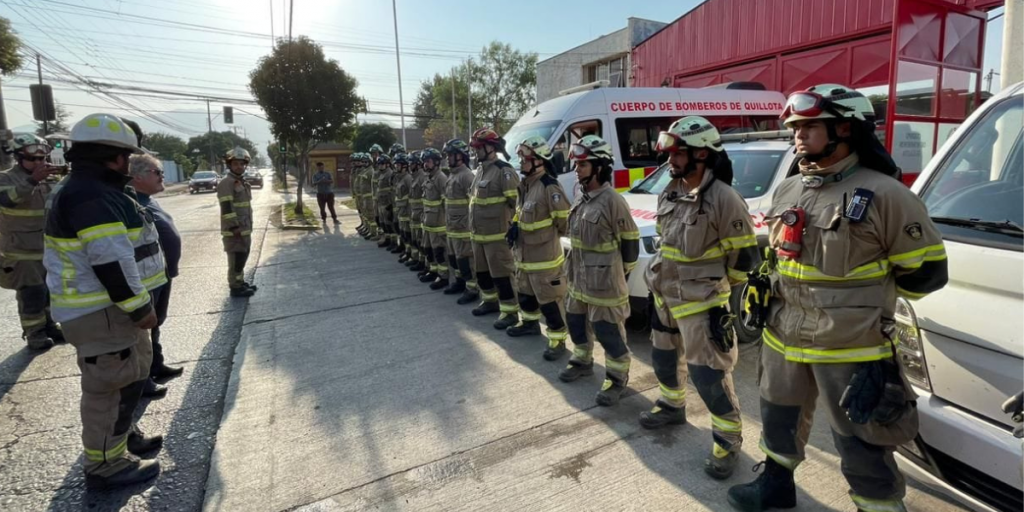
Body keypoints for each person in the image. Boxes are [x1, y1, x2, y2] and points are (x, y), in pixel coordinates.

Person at [727, 84, 948, 512]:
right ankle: (774, 487)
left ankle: (878, 506)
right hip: (782, 337)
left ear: (846, 129)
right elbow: (780, 255)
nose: (798, 135)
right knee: (776, 417)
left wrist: (866, 307)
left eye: (811, 126)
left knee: (862, 438)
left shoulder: (887, 196)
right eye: (795, 127)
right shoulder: (790, 189)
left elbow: (926, 275)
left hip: (848, 347)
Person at [44, 113, 165, 487]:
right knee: (108, 388)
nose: (129, 164)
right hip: (102, 311)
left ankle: (122, 438)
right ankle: (104, 465)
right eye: (127, 158)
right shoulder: (91, 195)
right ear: (113, 157)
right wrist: (139, 307)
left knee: (129, 377)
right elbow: (111, 261)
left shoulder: (92, 189)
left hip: (111, 311)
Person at [639, 116, 759, 479]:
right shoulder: (671, 190)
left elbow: (744, 259)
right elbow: (666, 241)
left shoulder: (725, 199)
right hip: (665, 296)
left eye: (678, 153)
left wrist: (715, 293)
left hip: (702, 305)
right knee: (662, 360)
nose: (671, 160)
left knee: (709, 376)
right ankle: (672, 405)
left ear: (702, 154)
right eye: (670, 153)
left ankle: (727, 439)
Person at [560, 135, 639, 407]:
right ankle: (582, 360)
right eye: (576, 164)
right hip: (578, 281)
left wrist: (618, 274)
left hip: (605, 285)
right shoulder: (581, 199)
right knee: (576, 324)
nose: (576, 170)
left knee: (608, 333)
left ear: (599, 167)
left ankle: (616, 379)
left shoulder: (612, 201)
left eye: (582, 165)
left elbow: (630, 244)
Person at [505, 136, 572, 360]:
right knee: (525, 295)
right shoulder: (524, 185)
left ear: (539, 161)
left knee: (550, 302)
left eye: (525, 159)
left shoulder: (549, 186)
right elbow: (520, 212)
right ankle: (530, 324)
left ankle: (557, 340)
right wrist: (515, 225)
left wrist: (544, 237)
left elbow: (564, 221)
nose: (521, 162)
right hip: (524, 256)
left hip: (545, 259)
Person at [0, 133, 64, 350]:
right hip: (20, 250)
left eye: (41, 159)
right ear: (19, 157)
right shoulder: (5, 178)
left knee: (50, 291)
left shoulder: (49, 178)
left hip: (47, 247)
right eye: (32, 159)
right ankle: (34, 333)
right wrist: (33, 180)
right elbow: (8, 199)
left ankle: (50, 326)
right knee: (32, 292)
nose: (38, 163)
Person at [128, 154, 185, 399]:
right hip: (144, 279)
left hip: (160, 275)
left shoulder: (148, 200)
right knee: (141, 332)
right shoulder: (130, 204)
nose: (162, 176)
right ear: (137, 177)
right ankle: (142, 380)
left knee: (156, 325)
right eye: (157, 172)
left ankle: (156, 366)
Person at [468, 128, 520, 330]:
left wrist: (514, 229)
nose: (476, 152)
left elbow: (517, 204)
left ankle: (510, 312)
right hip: (479, 236)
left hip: (497, 238)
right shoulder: (481, 170)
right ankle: (490, 302)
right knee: (482, 274)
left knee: (502, 277)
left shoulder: (504, 171)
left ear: (491, 148)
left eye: (479, 148)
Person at [442, 140, 478, 304]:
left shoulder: (466, 176)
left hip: (463, 230)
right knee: (454, 259)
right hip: (452, 228)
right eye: (447, 155)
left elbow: (473, 204)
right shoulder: (453, 175)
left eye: (451, 155)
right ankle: (459, 282)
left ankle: (472, 289)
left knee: (465, 261)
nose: (448, 158)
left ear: (460, 156)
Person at [218, 147, 256, 298]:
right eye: (235, 164)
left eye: (242, 164)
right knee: (235, 260)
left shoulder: (242, 182)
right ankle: (235, 287)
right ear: (229, 165)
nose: (239, 167)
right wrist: (234, 227)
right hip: (234, 231)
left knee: (242, 258)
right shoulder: (226, 183)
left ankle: (240, 282)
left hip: (245, 229)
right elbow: (226, 206)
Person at [420, 147, 449, 289]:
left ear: (437, 162)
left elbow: (446, 202)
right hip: (428, 222)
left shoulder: (441, 178)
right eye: (424, 161)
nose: (426, 164)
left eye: (429, 161)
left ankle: (443, 276)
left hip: (438, 224)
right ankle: (433, 270)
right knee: (428, 249)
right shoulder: (428, 177)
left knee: (439, 251)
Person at [407, 151, 427, 270]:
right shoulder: (414, 177)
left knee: (421, 240)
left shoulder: (422, 178)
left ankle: (424, 263)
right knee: (415, 239)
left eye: (412, 163)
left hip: (421, 214)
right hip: (414, 213)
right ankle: (418, 260)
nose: (409, 166)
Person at [392, 153, 412, 258]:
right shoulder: (399, 178)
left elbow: (411, 197)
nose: (396, 167)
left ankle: (409, 253)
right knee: (403, 233)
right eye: (395, 165)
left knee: (408, 234)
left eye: (398, 165)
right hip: (401, 211)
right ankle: (406, 251)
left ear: (404, 166)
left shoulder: (408, 178)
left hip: (407, 212)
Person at [375, 154, 396, 250]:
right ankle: (387, 239)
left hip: (387, 203)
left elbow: (393, 190)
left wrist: (391, 205)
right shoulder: (382, 174)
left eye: (382, 164)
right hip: (381, 202)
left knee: (389, 223)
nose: (380, 166)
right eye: (379, 164)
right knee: (383, 223)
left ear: (387, 164)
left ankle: (394, 242)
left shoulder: (390, 174)